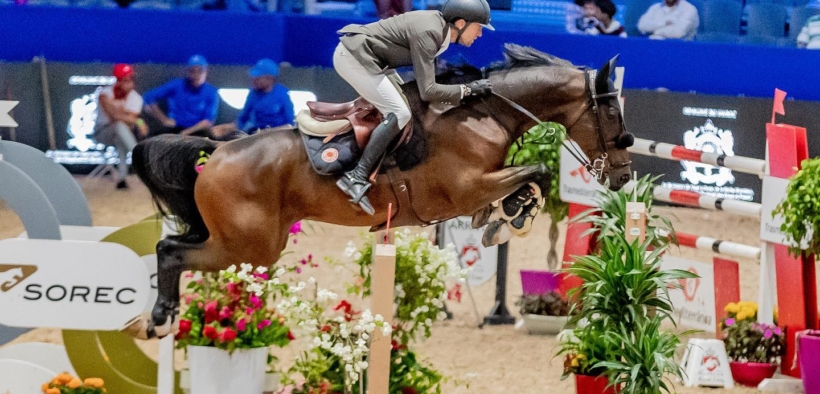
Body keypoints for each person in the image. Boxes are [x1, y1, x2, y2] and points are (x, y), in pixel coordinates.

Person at [332, 0, 495, 215]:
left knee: (407, 105)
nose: (480, 34)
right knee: (399, 112)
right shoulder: (431, 32)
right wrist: (467, 90)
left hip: (375, 61)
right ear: (461, 22)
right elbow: (428, 90)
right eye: (479, 27)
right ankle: (356, 176)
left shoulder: (441, 32)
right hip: (355, 58)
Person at [94, 63, 148, 189]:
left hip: (122, 133)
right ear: (118, 81)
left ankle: (122, 179)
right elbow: (115, 117)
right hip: (101, 133)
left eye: (131, 78)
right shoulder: (105, 93)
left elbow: (129, 120)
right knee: (119, 126)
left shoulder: (136, 98)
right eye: (125, 79)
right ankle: (139, 158)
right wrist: (138, 122)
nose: (129, 82)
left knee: (121, 133)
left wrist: (134, 120)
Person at [212, 58, 294, 137]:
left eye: (258, 78)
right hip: (254, 135)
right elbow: (242, 119)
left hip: (276, 138)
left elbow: (289, 125)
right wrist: (225, 128)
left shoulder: (283, 95)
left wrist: (268, 132)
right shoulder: (253, 94)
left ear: (269, 79)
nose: (253, 80)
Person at [142, 55, 220, 137]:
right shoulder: (176, 85)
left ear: (206, 71)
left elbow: (208, 121)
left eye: (200, 71)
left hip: (197, 131)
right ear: (187, 71)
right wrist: (163, 120)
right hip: (175, 128)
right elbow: (148, 97)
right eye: (192, 71)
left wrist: (187, 132)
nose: (196, 75)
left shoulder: (211, 92)